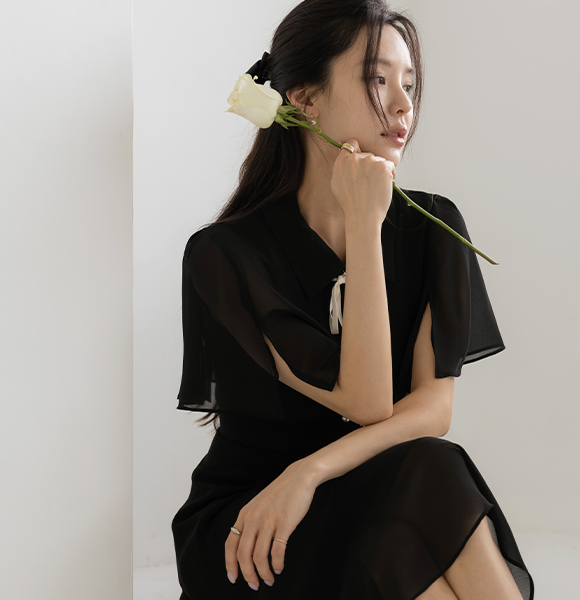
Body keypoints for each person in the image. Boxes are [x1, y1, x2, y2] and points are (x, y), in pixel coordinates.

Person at [171, 1, 535, 598]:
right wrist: (365, 226)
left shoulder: (433, 226)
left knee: (429, 471)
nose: (403, 104)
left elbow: (432, 410)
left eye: (408, 83)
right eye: (377, 79)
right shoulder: (226, 255)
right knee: (421, 492)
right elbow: (367, 401)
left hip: (337, 489)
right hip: (255, 522)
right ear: (304, 99)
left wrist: (309, 472)